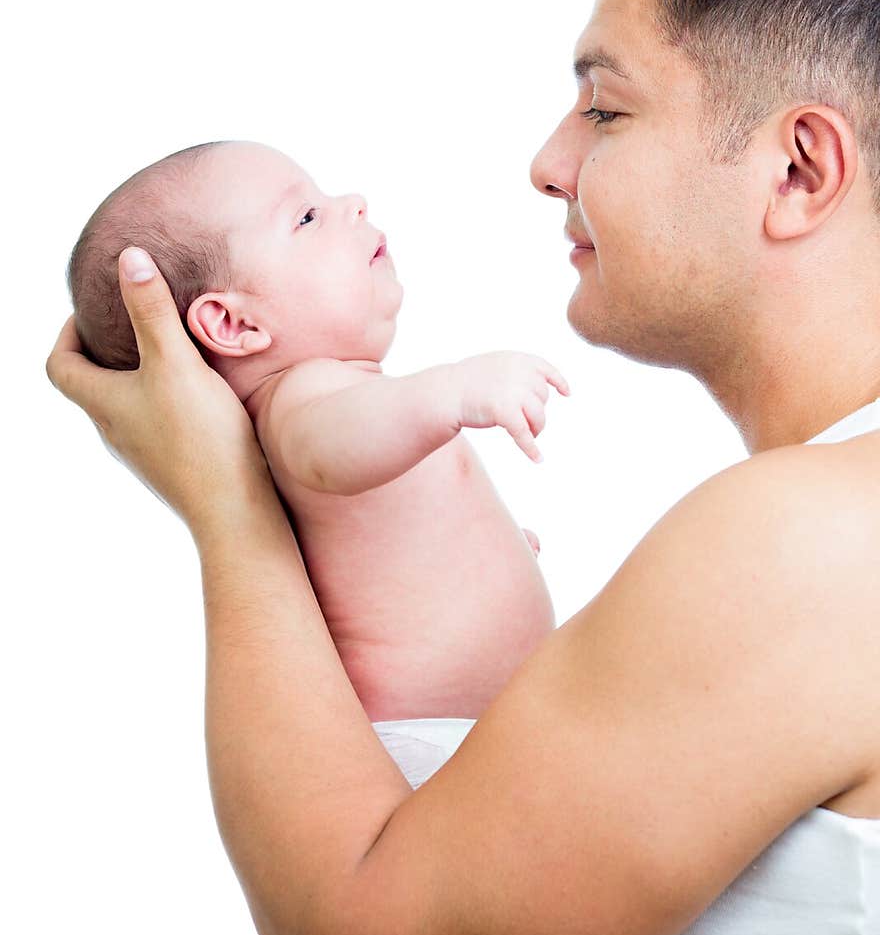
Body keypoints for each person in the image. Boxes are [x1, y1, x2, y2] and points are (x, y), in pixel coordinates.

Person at [46, 0, 880, 935]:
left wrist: (226, 502)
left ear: (797, 168)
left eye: (604, 108)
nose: (547, 163)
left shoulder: (812, 543)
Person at [65, 139, 569, 780]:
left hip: (477, 731)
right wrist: (452, 391)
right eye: (305, 218)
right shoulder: (299, 405)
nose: (352, 204)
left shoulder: (346, 396)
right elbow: (335, 448)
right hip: (428, 747)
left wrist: (479, 553)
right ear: (234, 324)